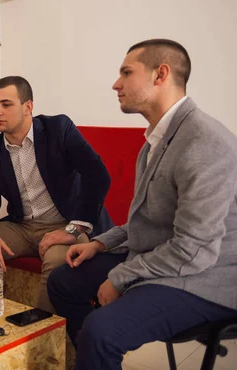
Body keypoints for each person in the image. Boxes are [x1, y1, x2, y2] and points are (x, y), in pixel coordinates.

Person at [47, 39, 237, 370]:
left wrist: (120, 277)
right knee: (63, 282)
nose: (115, 84)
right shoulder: (156, 139)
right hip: (165, 259)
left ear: (160, 74)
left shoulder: (206, 143)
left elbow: (194, 249)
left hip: (207, 277)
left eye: (126, 72)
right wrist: (99, 243)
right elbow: (147, 221)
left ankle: (97, 351)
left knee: (102, 332)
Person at [0, 76, 113, 313]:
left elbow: (98, 176)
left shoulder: (59, 129)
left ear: (28, 107)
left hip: (65, 224)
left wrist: (74, 230)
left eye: (6, 104)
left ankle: (42, 335)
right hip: (22, 228)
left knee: (57, 261)